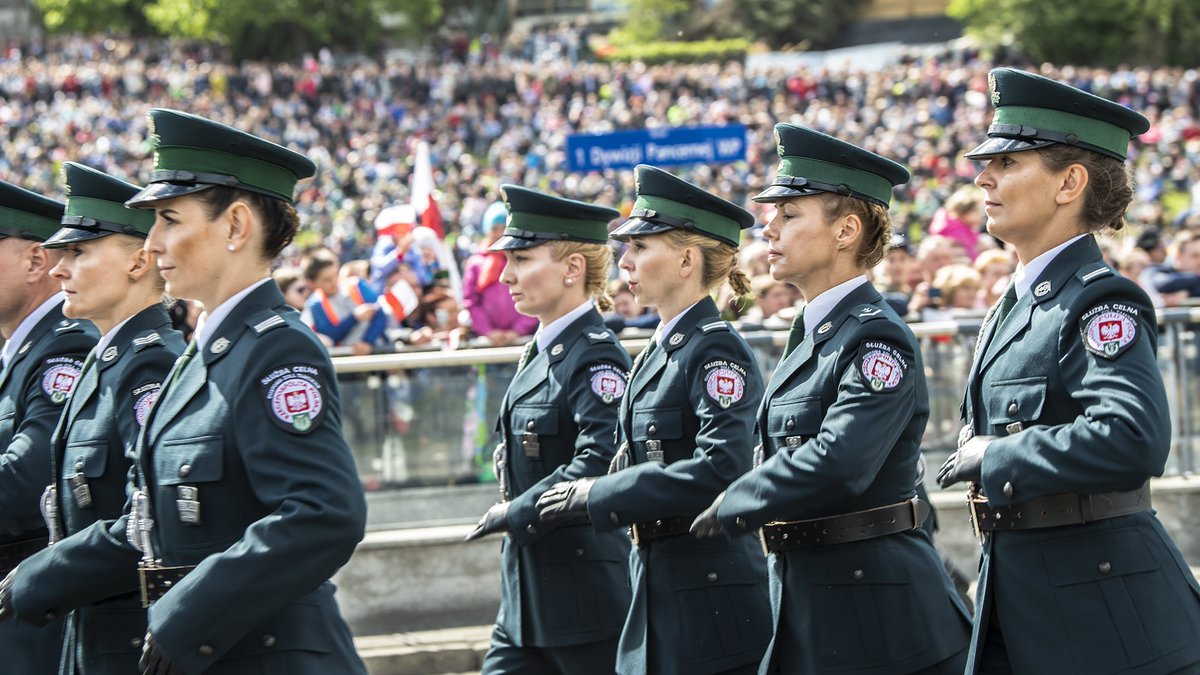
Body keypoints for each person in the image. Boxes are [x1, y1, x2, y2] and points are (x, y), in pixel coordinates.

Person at [8, 108, 369, 675]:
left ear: (235, 227)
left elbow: (324, 514)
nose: (153, 242)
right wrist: (35, 578)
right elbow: (145, 519)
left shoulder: (276, 350)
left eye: (170, 219)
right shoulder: (202, 353)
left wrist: (188, 613)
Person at [937, 67, 1200, 674]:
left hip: (1104, 614)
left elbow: (1131, 437)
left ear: (1069, 183)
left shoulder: (1098, 300)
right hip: (1028, 593)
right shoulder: (1019, 299)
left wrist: (997, 455)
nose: (983, 178)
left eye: (1008, 165)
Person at [692, 124, 971, 674]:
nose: (768, 228)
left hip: (879, 619)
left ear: (845, 230)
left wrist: (739, 497)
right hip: (819, 602)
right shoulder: (818, 331)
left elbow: (842, 460)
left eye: (790, 214)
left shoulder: (874, 336)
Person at [536, 164, 771, 675]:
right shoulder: (659, 349)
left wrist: (602, 493)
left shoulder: (714, 350)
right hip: (662, 582)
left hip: (711, 597)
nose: (625, 260)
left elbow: (722, 466)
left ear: (687, 259)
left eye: (641, 248)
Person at [1, 162, 186, 674]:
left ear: (138, 263)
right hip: (83, 635)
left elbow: (149, 517)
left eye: (79, 252)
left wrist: (37, 575)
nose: (61, 268)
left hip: (119, 640)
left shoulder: (148, 363)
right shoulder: (106, 359)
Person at [464, 185, 632, 675]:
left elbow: (599, 459)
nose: (506, 275)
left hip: (583, 600)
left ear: (572, 268)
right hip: (526, 600)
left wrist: (516, 511)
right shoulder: (542, 347)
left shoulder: (595, 353)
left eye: (521, 259)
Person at [0, 180, 98, 672]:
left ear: (36, 261)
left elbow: (29, 476)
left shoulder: (66, 348)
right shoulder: (21, 352)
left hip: (33, 617)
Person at [461, 199, 538, 346]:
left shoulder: (525, 259)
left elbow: (536, 295)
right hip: (488, 341)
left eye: (505, 228)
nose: (499, 233)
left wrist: (518, 330)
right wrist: (488, 331)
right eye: (494, 228)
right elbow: (471, 301)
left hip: (522, 339)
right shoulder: (477, 263)